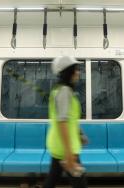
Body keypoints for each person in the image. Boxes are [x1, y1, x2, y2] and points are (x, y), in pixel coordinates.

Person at [43, 56, 88, 188]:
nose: (78, 73)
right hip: (66, 148)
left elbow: (70, 119)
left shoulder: (61, 90)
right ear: (68, 72)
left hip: (60, 145)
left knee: (52, 179)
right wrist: (68, 153)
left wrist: (80, 134)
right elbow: (62, 122)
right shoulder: (64, 92)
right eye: (75, 70)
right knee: (80, 184)